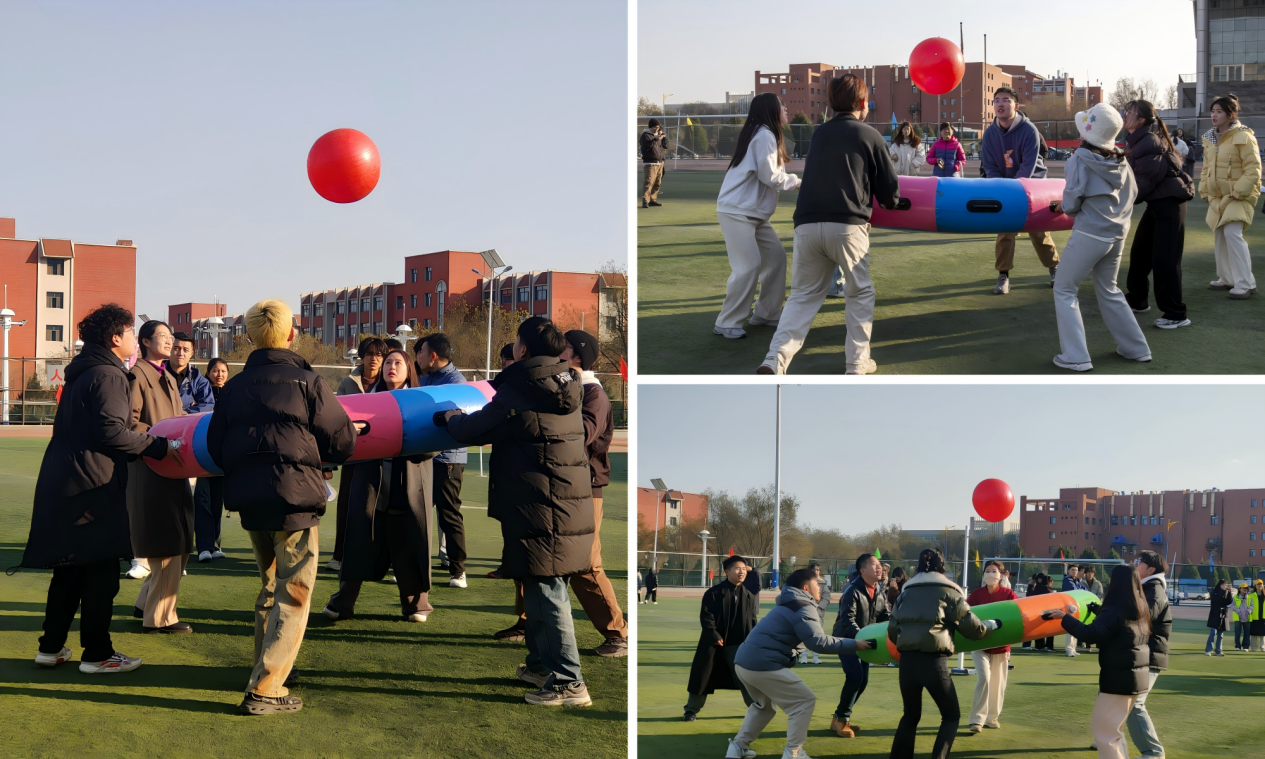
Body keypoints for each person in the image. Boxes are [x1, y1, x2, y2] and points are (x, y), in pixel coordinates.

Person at [206, 299, 357, 715]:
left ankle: (263, 669)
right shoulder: (307, 382)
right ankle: (267, 687)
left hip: (251, 502)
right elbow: (341, 441)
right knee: (295, 590)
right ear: (291, 334)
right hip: (295, 502)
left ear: (251, 336)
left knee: (271, 587)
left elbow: (215, 445)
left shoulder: (234, 386)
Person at [437, 316, 595, 707]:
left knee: (547, 591)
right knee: (539, 586)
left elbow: (472, 430)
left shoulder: (520, 389)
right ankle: (543, 665)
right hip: (557, 504)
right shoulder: (567, 384)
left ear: (523, 349)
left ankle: (568, 682)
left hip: (541, 507)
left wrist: (450, 416)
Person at [21, 304, 180, 674]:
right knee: (101, 571)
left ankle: (51, 647)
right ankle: (97, 654)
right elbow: (112, 432)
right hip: (92, 484)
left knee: (69, 570)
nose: (133, 341)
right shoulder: (108, 374)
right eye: (129, 332)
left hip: (66, 478)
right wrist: (160, 447)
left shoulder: (83, 371)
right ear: (115, 338)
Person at [757, 73, 900, 376]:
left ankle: (774, 360)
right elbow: (890, 195)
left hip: (806, 225)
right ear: (863, 102)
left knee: (802, 296)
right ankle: (857, 363)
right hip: (848, 226)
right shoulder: (870, 135)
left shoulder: (820, 134)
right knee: (859, 293)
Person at [323, 350, 435, 623]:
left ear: (409, 369)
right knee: (359, 540)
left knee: (411, 539)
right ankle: (343, 603)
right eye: (388, 363)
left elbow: (433, 445)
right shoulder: (364, 401)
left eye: (398, 363)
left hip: (409, 483)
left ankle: (416, 604)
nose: (391, 367)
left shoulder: (422, 400)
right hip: (370, 483)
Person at [726, 568, 871, 759]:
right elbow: (818, 642)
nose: (821, 588)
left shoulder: (790, 602)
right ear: (806, 588)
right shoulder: (803, 605)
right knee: (803, 701)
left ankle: (738, 747)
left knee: (764, 706)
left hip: (743, 662)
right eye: (818, 584)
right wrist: (856, 645)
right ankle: (793, 753)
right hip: (762, 664)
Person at [1050, 103, 1150, 373]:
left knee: (1064, 288)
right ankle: (1136, 348)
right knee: (1109, 289)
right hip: (1117, 233)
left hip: (1089, 233)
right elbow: (1133, 193)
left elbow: (1071, 204)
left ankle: (1076, 356)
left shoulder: (1078, 159)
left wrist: (1062, 205)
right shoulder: (1120, 158)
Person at [887, 548, 994, 759]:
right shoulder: (950, 593)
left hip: (907, 662)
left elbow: (892, 631)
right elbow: (974, 630)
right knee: (951, 715)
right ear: (942, 566)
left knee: (910, 715)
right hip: (934, 662)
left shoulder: (905, 593)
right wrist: (990, 625)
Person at [561, 329, 628, 657]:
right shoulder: (571, 385)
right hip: (568, 487)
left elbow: (580, 434)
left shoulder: (593, 394)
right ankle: (527, 623)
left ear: (577, 356)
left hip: (586, 489)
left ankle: (618, 634)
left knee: (586, 564)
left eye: (564, 346)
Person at [713, 93, 801, 340]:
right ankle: (727, 322)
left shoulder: (766, 134)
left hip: (753, 213)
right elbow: (771, 177)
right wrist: (798, 182)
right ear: (772, 110)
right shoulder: (764, 135)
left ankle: (767, 313)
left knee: (776, 259)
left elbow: (769, 176)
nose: (786, 109)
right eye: (782, 105)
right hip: (737, 211)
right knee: (748, 266)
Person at [127, 320, 196, 634]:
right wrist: (161, 442)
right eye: (163, 337)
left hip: (175, 466)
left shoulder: (165, 375)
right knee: (166, 540)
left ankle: (146, 601)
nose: (170, 342)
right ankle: (159, 618)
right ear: (144, 341)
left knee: (181, 538)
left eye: (171, 337)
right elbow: (128, 426)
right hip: (152, 467)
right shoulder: (137, 375)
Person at [1048, 564, 1152, 759]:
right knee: (1114, 730)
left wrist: (1065, 617)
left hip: (1118, 679)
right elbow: (1112, 628)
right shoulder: (1139, 605)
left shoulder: (1114, 609)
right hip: (1134, 677)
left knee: (1105, 732)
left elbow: (1089, 634)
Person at [1122, 100, 1195, 330]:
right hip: (1158, 205)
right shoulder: (1139, 141)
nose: (1124, 115)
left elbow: (1141, 184)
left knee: (1166, 259)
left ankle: (1175, 313)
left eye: (1129, 112)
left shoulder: (1148, 142)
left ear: (1141, 119)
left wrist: (1115, 200)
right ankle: (1137, 300)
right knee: (1140, 254)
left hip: (1170, 205)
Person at [981, 85, 1060, 294]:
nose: (1000, 103)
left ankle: (1054, 269)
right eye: (996, 99)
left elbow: (1029, 166)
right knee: (1005, 232)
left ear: (1015, 105)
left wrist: (1015, 189)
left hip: (1033, 185)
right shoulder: (989, 134)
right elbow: (989, 166)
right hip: (1007, 188)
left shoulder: (1028, 130)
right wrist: (1002, 188)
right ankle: (1003, 275)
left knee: (1039, 231)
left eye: (1005, 100)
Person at [413, 333, 469, 588]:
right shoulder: (424, 377)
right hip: (422, 457)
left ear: (433, 356)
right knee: (417, 514)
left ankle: (458, 571)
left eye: (421, 352)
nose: (418, 357)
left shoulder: (455, 382)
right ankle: (412, 568)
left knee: (449, 514)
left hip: (447, 459)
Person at [329, 337, 386, 572]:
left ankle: (379, 558)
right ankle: (339, 556)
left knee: (379, 508)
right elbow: (337, 415)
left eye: (379, 355)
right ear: (361, 357)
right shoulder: (347, 382)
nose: (374, 359)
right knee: (346, 505)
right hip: (354, 454)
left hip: (383, 455)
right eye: (370, 354)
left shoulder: (390, 382)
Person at [684, 555, 759, 721]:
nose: (741, 572)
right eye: (737, 568)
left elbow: (753, 621)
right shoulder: (714, 593)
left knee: (746, 678)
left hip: (739, 645)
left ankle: (757, 710)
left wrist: (753, 640)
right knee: (702, 677)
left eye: (744, 569)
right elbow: (706, 617)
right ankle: (691, 710)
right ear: (727, 572)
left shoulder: (748, 595)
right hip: (714, 644)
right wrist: (714, 635)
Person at [1201, 94, 1259, 299]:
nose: (1214, 115)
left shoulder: (1244, 136)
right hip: (1218, 197)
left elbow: (1253, 169)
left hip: (1239, 196)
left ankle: (1245, 283)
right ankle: (1226, 278)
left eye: (1219, 112)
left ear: (1230, 114)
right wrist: (1204, 191)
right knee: (1219, 236)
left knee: (1233, 235)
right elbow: (1206, 167)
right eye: (1212, 111)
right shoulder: (1208, 138)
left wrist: (1237, 192)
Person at [826, 553, 887, 738]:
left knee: (863, 680)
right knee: (855, 676)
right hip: (847, 640)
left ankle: (838, 717)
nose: (879, 568)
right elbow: (847, 619)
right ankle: (842, 720)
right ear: (862, 570)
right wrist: (859, 638)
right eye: (874, 565)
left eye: (880, 565)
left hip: (865, 642)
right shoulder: (852, 591)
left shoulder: (878, 590)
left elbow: (884, 615)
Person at [1122, 550, 1171, 759]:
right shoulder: (1144, 587)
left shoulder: (1155, 589)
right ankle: (1108, 736)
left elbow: (1142, 617)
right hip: (1138, 654)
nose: (1134, 565)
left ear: (1150, 569)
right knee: (1113, 697)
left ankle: (1153, 752)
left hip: (1148, 655)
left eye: (1138, 562)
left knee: (1134, 703)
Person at [966, 561, 1017, 732]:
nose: (990, 574)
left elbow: (1017, 615)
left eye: (993, 571)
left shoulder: (1009, 594)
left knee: (998, 684)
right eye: (987, 571)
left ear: (1001, 575)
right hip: (979, 644)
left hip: (1001, 646)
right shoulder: (976, 594)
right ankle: (976, 720)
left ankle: (992, 717)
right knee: (984, 678)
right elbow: (965, 611)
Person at [193, 357, 229, 562]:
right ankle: (204, 546)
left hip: (221, 456)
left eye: (223, 371)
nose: (219, 374)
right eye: (215, 370)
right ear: (208, 373)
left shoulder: (232, 394)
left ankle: (215, 545)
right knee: (202, 499)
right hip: (202, 453)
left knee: (217, 500)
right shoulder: (202, 394)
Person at [640, 118, 668, 208]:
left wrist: (663, 138)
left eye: (658, 127)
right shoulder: (645, 136)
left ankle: (652, 200)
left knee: (657, 183)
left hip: (660, 162)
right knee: (649, 182)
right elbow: (647, 147)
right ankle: (645, 201)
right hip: (650, 163)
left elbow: (665, 146)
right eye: (655, 127)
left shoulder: (658, 135)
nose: (657, 129)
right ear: (650, 127)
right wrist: (656, 139)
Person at [1060, 564, 1086, 655]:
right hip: (1069, 606)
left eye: (1076, 570)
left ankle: (1073, 648)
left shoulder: (1077, 580)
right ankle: (1069, 650)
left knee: (1074, 627)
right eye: (1072, 570)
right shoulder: (1067, 580)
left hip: (1075, 606)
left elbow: (1084, 590)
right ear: (1068, 571)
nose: (1075, 571)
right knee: (1070, 628)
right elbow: (1074, 591)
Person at [1207, 578, 1233, 656]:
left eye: (1226, 585)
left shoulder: (1225, 593)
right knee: (1213, 633)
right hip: (1215, 615)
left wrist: (1229, 593)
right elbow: (1216, 599)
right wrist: (1222, 591)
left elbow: (1229, 602)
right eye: (1224, 585)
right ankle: (1208, 650)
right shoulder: (1214, 592)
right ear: (1220, 585)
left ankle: (1218, 650)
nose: (1225, 586)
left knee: (1220, 634)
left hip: (1223, 615)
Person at [1232, 582, 1251, 651]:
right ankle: (1237, 646)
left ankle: (1245, 646)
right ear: (1240, 589)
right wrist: (1238, 610)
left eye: (1246, 588)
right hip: (1238, 617)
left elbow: (1252, 605)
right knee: (1237, 633)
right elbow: (1232, 605)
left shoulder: (1249, 597)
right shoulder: (1235, 597)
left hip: (1247, 617)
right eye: (1243, 588)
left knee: (1247, 633)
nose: (1245, 590)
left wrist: (1249, 610)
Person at [1248, 579, 1265, 651]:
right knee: (1253, 633)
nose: (1259, 585)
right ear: (1255, 585)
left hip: (1263, 616)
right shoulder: (1251, 595)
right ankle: (1254, 648)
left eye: (1261, 584)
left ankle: (1263, 647)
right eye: (1258, 584)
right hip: (1254, 617)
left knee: (1263, 633)